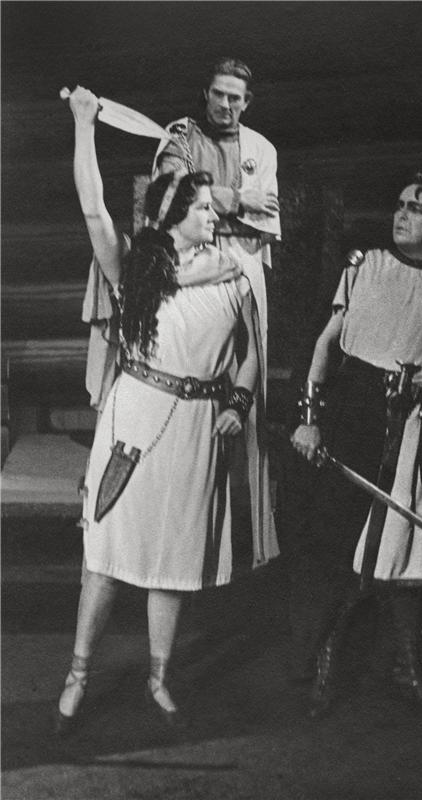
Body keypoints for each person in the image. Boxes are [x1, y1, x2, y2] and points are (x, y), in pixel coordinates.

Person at [54, 86, 278, 735]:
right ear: (175, 213)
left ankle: (158, 677)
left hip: (196, 427)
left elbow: (251, 354)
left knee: (172, 560)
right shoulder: (135, 269)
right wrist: (84, 126)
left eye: (212, 206)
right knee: (107, 553)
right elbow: (92, 206)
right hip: (135, 419)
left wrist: (238, 401)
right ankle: (77, 675)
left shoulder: (236, 275)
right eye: (203, 207)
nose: (213, 215)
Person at [284, 169, 422, 718]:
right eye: (399, 204)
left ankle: (407, 667)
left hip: (417, 426)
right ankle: (321, 669)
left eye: (416, 208)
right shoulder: (363, 266)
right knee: (335, 542)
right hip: (354, 413)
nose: (401, 215)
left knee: (404, 548)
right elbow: (324, 347)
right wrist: (309, 420)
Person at [151, 57, 281, 389]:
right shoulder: (181, 135)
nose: (225, 104)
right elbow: (173, 190)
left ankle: (242, 420)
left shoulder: (261, 149)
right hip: (188, 256)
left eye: (234, 97)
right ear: (206, 93)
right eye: (218, 94)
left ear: (246, 102)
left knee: (247, 352)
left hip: (242, 255)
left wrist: (212, 202)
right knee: (194, 349)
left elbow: (264, 217)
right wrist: (238, 199)